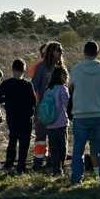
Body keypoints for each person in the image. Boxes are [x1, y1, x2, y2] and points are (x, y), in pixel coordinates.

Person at [70, 41, 100, 186]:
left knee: (78, 149)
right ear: (97, 53)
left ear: (84, 52)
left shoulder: (76, 70)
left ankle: (77, 179)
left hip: (80, 114)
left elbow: (71, 89)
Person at [0, 58, 37, 173]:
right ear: (24, 71)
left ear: (12, 69)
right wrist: (31, 113)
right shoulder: (27, 85)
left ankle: (9, 163)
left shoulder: (6, 83)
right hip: (25, 118)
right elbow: (34, 102)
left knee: (12, 140)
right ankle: (21, 165)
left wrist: (7, 99)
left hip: (12, 117)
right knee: (24, 143)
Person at [31, 41, 64, 170]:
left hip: (58, 109)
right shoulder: (41, 67)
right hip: (44, 108)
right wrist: (37, 106)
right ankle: (38, 161)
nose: (60, 52)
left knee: (54, 136)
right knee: (41, 136)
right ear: (51, 51)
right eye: (57, 50)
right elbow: (34, 87)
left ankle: (52, 160)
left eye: (61, 50)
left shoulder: (60, 68)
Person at [44, 65, 71, 176]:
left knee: (53, 149)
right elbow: (67, 105)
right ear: (62, 76)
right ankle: (61, 167)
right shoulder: (62, 89)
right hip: (61, 124)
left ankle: (56, 170)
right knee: (62, 148)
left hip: (50, 124)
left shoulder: (48, 90)